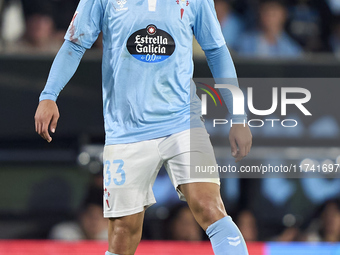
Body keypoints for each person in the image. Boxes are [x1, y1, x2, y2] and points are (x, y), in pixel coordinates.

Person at [34, 0, 252, 254]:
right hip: (126, 131)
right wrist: (49, 95)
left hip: (183, 123)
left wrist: (238, 116)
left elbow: (216, 50)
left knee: (210, 206)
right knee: (123, 233)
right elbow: (75, 43)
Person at [236, 0, 303, 57]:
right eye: (266, 12)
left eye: (274, 13)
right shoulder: (243, 43)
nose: (269, 17)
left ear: (283, 14)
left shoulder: (292, 50)